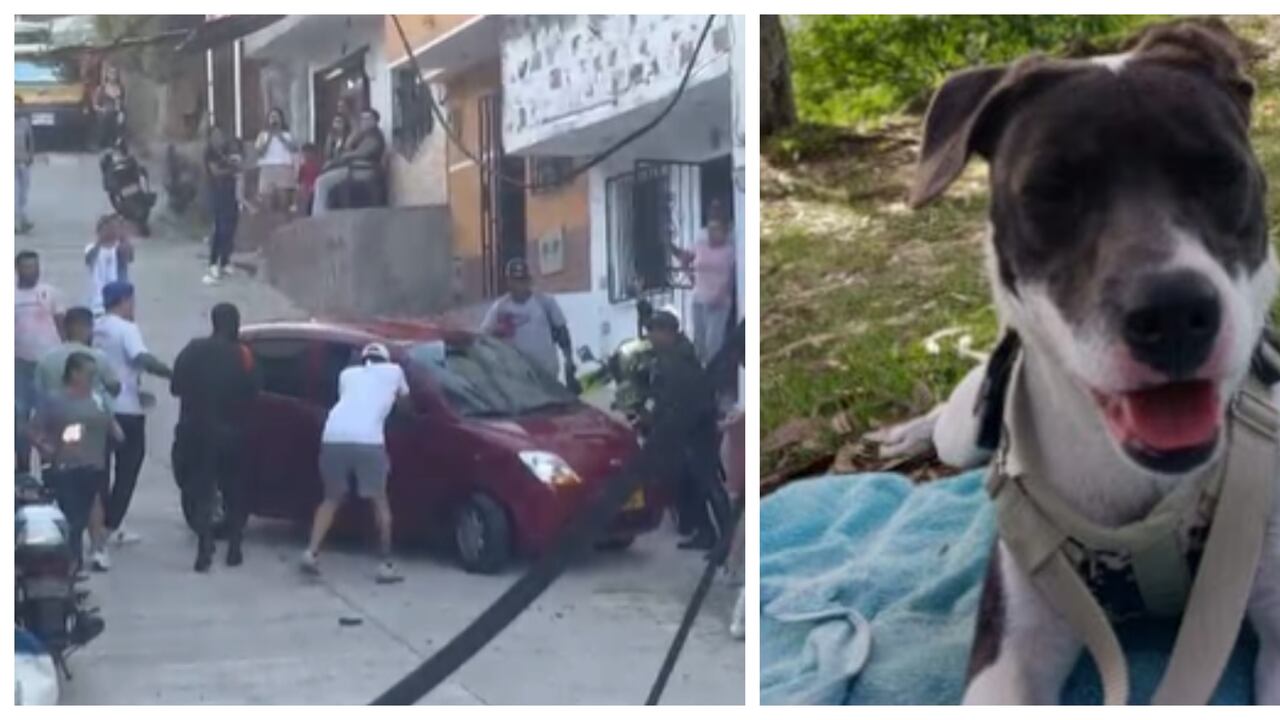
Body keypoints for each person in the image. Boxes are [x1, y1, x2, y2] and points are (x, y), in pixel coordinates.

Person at [300, 342, 409, 583]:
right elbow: (405, 404)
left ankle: (311, 552)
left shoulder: (347, 374)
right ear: (386, 359)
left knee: (330, 499)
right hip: (369, 440)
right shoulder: (395, 371)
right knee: (379, 501)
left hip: (333, 436)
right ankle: (386, 563)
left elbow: (350, 401)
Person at [171, 303, 259, 572]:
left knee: (202, 490)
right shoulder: (243, 354)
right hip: (233, 433)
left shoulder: (193, 350)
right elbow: (255, 390)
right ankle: (234, 548)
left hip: (195, 431)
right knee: (234, 490)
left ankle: (204, 548)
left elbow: (175, 387)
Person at [35, 306, 121, 571]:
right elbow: (114, 387)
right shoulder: (97, 358)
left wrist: (43, 442)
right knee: (94, 497)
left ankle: (64, 548)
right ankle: (95, 548)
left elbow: (37, 394)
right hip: (91, 439)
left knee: (62, 497)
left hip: (57, 439)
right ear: (85, 329)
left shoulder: (47, 359)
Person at [642, 310, 730, 551]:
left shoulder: (679, 359)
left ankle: (727, 540)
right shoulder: (669, 356)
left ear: (667, 332)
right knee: (690, 485)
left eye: (654, 332)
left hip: (696, 431)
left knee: (708, 483)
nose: (650, 337)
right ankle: (705, 534)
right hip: (684, 432)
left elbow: (684, 399)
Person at [93, 281, 172, 546]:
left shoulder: (97, 327)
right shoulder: (127, 328)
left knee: (101, 469)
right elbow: (142, 359)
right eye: (131, 301)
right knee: (128, 468)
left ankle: (102, 520)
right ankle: (112, 524)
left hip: (99, 408)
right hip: (127, 408)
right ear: (124, 301)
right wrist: (171, 373)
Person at [481, 258, 579, 392]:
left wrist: (569, 360)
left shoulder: (545, 302)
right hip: (517, 375)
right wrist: (498, 332)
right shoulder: (500, 308)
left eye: (522, 280)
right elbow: (483, 336)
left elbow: (562, 332)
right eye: (515, 280)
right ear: (508, 282)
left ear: (529, 281)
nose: (519, 285)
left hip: (546, 371)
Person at [16, 250, 65, 474]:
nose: (32, 271)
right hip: (20, 365)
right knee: (19, 416)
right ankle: (22, 465)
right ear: (17, 270)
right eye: (26, 267)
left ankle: (49, 462)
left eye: (35, 266)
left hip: (48, 364)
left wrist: (66, 351)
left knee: (50, 415)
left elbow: (61, 322)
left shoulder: (50, 293)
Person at [673, 199, 736, 365]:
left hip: (718, 304)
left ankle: (715, 383)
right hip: (698, 301)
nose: (712, 233)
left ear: (725, 230)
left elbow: (729, 277)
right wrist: (691, 277)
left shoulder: (730, 251)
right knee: (700, 345)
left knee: (713, 345)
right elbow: (686, 258)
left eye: (717, 229)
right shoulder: (700, 245)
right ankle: (701, 380)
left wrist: (718, 295)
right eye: (710, 228)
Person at [312, 108, 386, 216]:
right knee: (322, 179)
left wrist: (338, 160)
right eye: (362, 119)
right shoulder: (360, 136)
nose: (364, 122)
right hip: (351, 169)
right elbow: (345, 149)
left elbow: (359, 154)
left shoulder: (375, 136)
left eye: (368, 119)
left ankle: (318, 216)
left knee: (322, 182)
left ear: (375, 121)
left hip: (363, 170)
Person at [204, 126, 242, 285]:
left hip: (231, 192)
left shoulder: (226, 152)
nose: (219, 138)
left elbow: (239, 165)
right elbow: (215, 172)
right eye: (216, 135)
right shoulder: (209, 153)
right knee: (220, 228)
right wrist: (232, 170)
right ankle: (213, 262)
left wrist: (234, 166)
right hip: (217, 193)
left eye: (221, 135)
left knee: (232, 226)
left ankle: (225, 261)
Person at [85, 214, 134, 316]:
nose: (111, 230)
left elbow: (128, 256)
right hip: (97, 300)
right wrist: (101, 239)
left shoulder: (119, 247)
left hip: (119, 299)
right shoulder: (91, 247)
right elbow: (89, 259)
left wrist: (124, 236)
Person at [254, 108, 298, 213]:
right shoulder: (262, 135)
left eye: (276, 117)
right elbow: (260, 153)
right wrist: (269, 138)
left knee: (283, 202)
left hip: (283, 168)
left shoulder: (288, 134)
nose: (274, 119)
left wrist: (280, 137)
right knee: (267, 202)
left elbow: (293, 149)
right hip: (267, 169)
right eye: (272, 117)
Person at [92, 65, 126, 150]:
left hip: (117, 112)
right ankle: (104, 142)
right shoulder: (101, 89)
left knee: (120, 119)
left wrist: (121, 112)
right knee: (107, 116)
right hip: (105, 114)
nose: (113, 76)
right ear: (107, 75)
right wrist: (101, 109)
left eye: (115, 73)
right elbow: (95, 105)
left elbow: (122, 102)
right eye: (111, 73)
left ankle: (118, 141)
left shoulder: (121, 88)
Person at [16, 96, 35, 234]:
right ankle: (18, 223)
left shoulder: (24, 123)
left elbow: (30, 140)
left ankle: (22, 221)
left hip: (23, 162)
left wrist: (30, 156)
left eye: (17, 106)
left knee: (23, 195)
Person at [295, 142, 322, 215]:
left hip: (314, 190)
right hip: (306, 191)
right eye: (304, 154)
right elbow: (300, 181)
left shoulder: (318, 166)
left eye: (307, 153)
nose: (305, 155)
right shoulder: (303, 167)